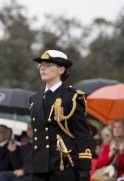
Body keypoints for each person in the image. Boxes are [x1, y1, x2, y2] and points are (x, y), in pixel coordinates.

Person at [30, 50, 92, 181]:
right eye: (41, 65)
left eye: (48, 65)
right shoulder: (34, 99)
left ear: (61, 70)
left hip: (64, 166)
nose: (42, 68)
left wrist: (85, 169)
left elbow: (82, 135)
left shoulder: (73, 97)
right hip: (39, 167)